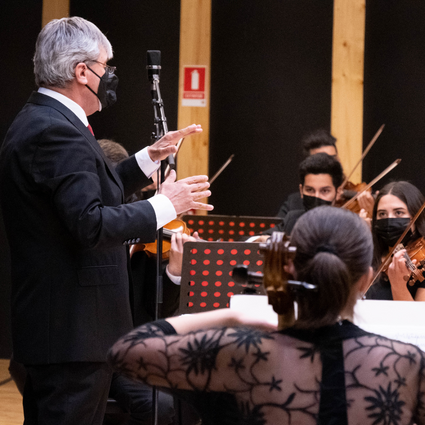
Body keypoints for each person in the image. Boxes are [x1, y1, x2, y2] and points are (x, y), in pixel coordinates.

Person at [0, 17, 213, 424]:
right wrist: (165, 204)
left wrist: (148, 158)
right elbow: (91, 223)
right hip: (71, 337)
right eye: (106, 66)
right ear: (82, 71)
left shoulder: (46, 121)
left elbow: (82, 192)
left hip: (67, 336)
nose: (111, 75)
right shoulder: (54, 131)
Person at [108, 206, 425, 424]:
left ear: (287, 269)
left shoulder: (242, 355)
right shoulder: (404, 364)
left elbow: (126, 352)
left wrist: (231, 318)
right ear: (366, 280)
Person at [366, 181, 425, 301]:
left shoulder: (421, 264)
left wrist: (398, 285)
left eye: (399, 212)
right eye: (382, 214)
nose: (389, 220)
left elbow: (418, 319)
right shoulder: (366, 257)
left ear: (416, 216)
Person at [266, 152, 343, 236]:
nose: (316, 196)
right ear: (301, 190)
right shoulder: (292, 219)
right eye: (310, 190)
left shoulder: (348, 226)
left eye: (324, 191)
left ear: (338, 193)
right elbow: (256, 239)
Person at [277, 129, 338, 218]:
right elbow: (275, 230)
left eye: (333, 159)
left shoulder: (355, 201)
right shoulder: (294, 202)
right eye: (320, 161)